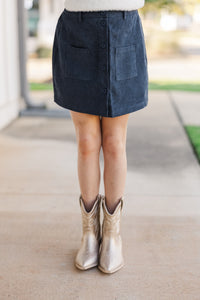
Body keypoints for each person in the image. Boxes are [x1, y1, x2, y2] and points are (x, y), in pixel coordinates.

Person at [52, 0, 148, 274]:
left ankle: (113, 236)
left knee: (115, 144)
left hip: (123, 26)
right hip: (77, 28)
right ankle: (89, 235)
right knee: (86, 143)